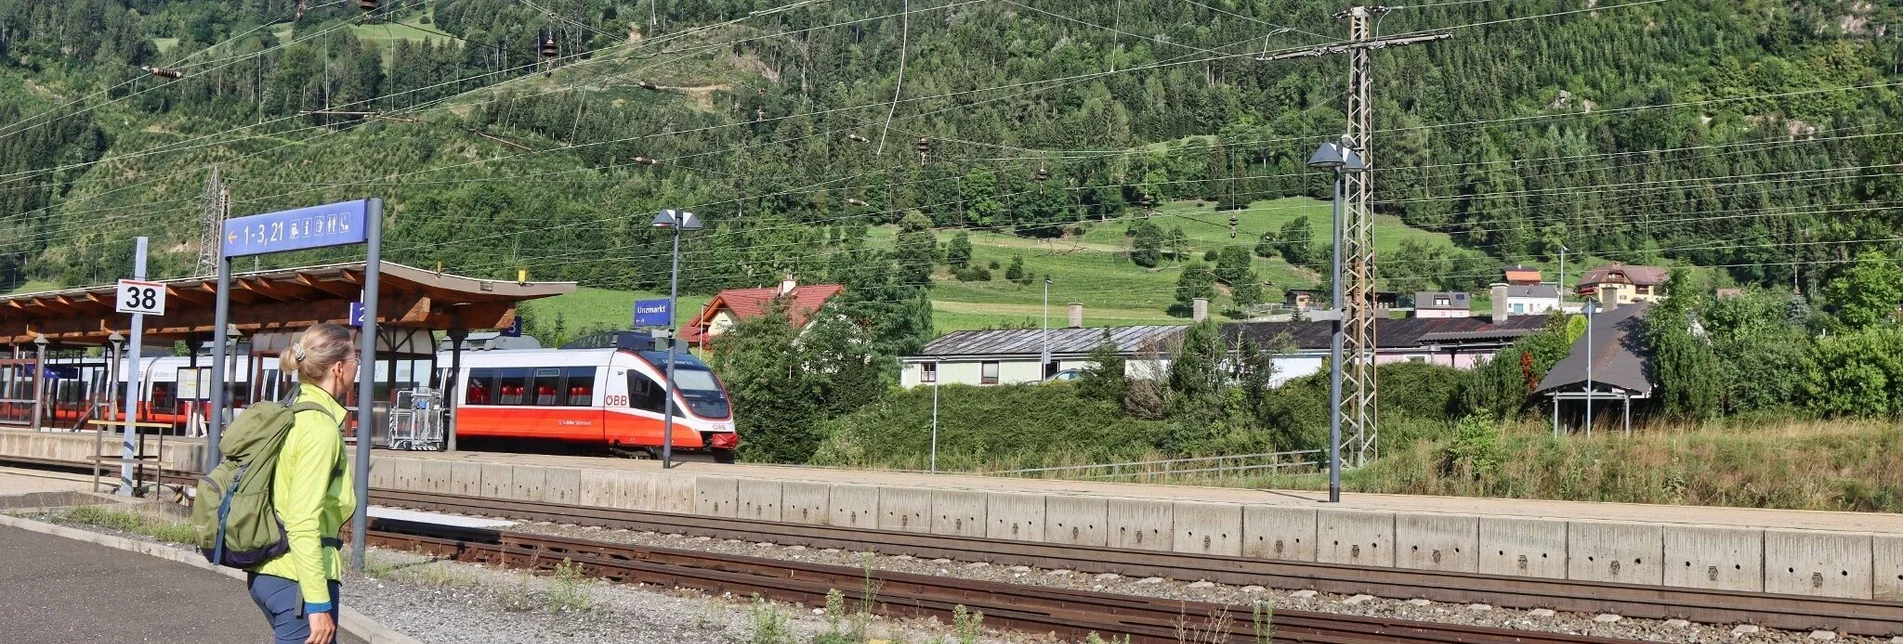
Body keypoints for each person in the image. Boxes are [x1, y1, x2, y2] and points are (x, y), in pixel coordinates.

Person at [248, 324, 357, 644]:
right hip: (297, 579)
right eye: (355, 362)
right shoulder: (318, 429)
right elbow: (302, 519)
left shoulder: (292, 411)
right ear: (338, 369)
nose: (356, 369)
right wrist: (319, 604)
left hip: (271, 568)